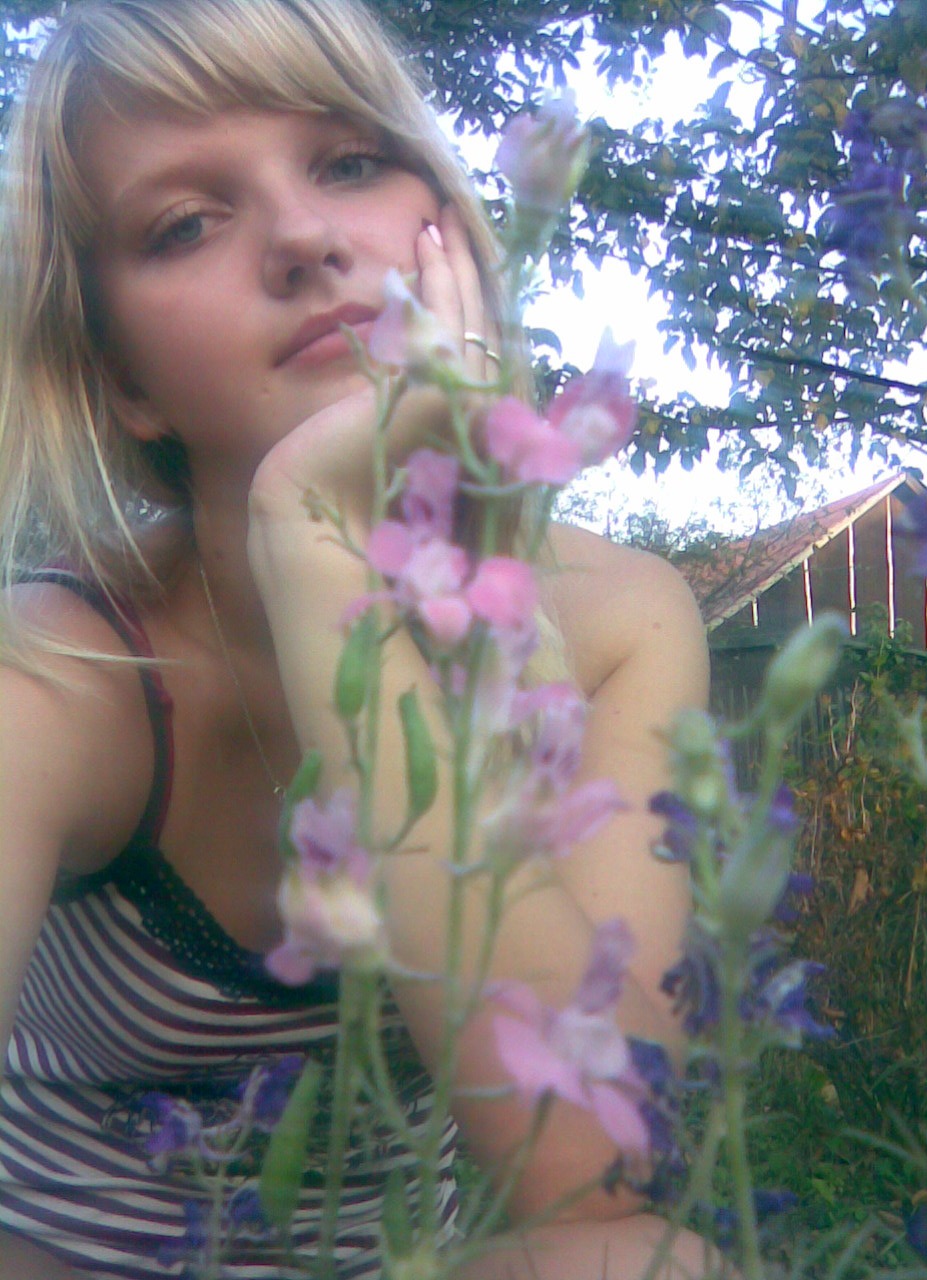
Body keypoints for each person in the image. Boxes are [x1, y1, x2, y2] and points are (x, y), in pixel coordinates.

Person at [0, 1, 711, 1276]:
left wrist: (320, 556)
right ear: (124, 379)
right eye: (186, 223)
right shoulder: (60, 670)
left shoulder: (617, 624)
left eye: (347, 161)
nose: (305, 238)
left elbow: (596, 1165)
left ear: (452, 220)